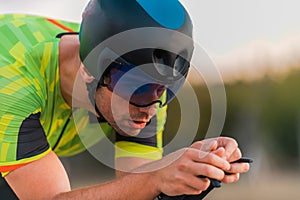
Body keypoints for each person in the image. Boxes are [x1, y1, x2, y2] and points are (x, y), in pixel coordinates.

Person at [0, 0, 250, 199]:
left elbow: (136, 187)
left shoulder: (143, 96)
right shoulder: (11, 81)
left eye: (164, 89)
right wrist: (155, 179)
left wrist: (191, 170)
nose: (151, 108)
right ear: (88, 70)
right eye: (137, 87)